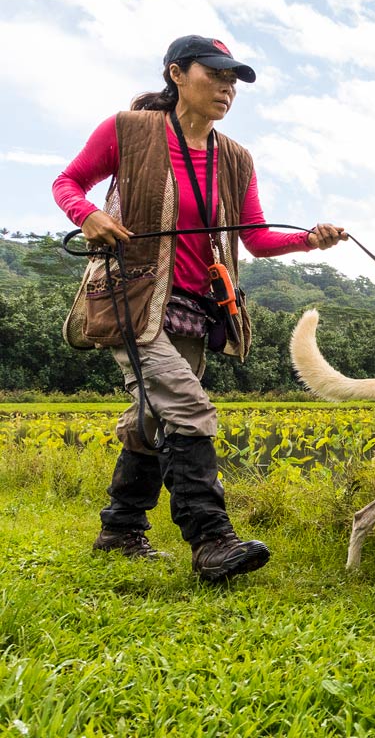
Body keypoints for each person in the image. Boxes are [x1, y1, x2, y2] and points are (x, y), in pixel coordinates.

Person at [52, 34, 347, 582]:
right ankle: (212, 541)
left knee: (151, 415)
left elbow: (255, 238)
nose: (227, 88)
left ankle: (120, 529)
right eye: (215, 74)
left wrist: (310, 240)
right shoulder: (126, 129)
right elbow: (68, 181)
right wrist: (85, 214)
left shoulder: (234, 158)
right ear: (176, 73)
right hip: (131, 295)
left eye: (234, 80)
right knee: (187, 407)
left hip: (196, 307)